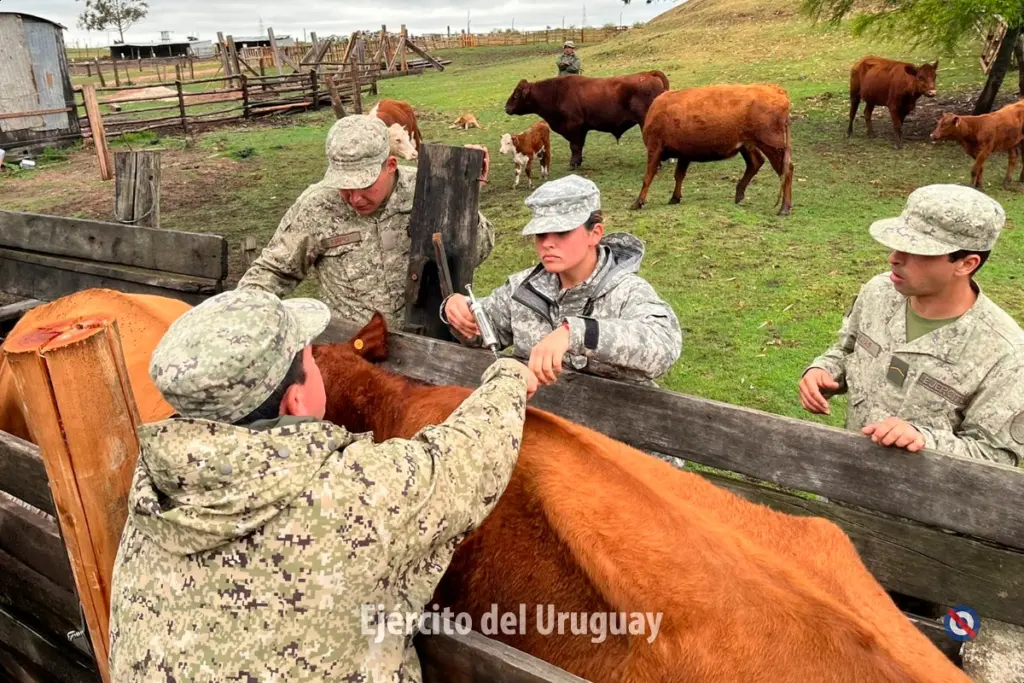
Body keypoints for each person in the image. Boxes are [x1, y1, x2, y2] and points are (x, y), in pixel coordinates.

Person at [107, 288, 538, 681]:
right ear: (296, 400)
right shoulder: (354, 492)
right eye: (312, 360)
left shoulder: (152, 489)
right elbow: (469, 458)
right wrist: (509, 378)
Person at [799, 184, 1024, 466]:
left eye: (917, 251)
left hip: (922, 504)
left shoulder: (1006, 354)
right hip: (845, 479)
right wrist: (824, 370)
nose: (894, 258)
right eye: (899, 243)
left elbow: (996, 457)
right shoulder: (879, 293)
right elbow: (849, 348)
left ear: (966, 263)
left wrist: (924, 440)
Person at [237, 115, 495, 332]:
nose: (355, 198)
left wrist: (464, 198)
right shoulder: (317, 206)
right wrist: (234, 316)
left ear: (391, 165)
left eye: (364, 185)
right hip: (355, 353)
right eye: (345, 187)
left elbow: (475, 253)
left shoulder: (427, 188)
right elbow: (272, 271)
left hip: (430, 343)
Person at [441, 174, 683, 386]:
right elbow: (484, 328)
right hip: (542, 424)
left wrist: (573, 333)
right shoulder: (523, 288)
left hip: (615, 431)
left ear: (595, 233)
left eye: (563, 232)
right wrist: (456, 310)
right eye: (541, 234)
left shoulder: (627, 291)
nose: (548, 243)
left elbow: (663, 345)